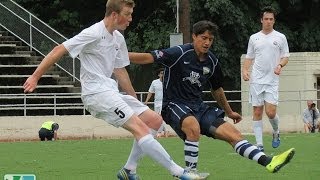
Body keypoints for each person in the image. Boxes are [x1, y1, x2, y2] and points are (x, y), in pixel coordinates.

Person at [23, 0, 205, 179]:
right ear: (114, 15)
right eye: (127, 15)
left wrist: (135, 101)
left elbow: (119, 70)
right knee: (140, 128)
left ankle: (129, 170)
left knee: (155, 121)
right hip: (96, 94)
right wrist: (35, 76)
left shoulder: (118, 38)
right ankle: (179, 172)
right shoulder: (93, 33)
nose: (130, 19)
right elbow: (58, 49)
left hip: (111, 92)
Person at [128, 20, 295, 175]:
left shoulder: (212, 62)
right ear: (194, 36)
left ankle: (268, 161)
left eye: (210, 39)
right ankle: (191, 174)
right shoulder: (179, 53)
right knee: (192, 126)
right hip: (174, 105)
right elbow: (148, 57)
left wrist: (229, 112)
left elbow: (217, 90)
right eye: (203, 38)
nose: (207, 42)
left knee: (233, 134)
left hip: (199, 107)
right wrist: (121, 55)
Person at [242, 6, 290, 151]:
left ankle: (276, 132)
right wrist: (245, 70)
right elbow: (249, 57)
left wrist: (280, 65)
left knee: (270, 112)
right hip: (256, 80)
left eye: (271, 19)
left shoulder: (280, 37)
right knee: (257, 111)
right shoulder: (254, 38)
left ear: (274, 21)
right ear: (261, 20)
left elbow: (286, 56)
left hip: (272, 80)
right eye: (266, 19)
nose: (268, 21)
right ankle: (259, 145)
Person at [144, 68, 168, 138]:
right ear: (158, 74)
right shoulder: (154, 82)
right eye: (161, 73)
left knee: (160, 117)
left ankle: (159, 132)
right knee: (158, 117)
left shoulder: (168, 82)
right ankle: (165, 131)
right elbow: (150, 92)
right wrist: (146, 101)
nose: (163, 74)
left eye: (164, 73)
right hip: (156, 102)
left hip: (164, 102)